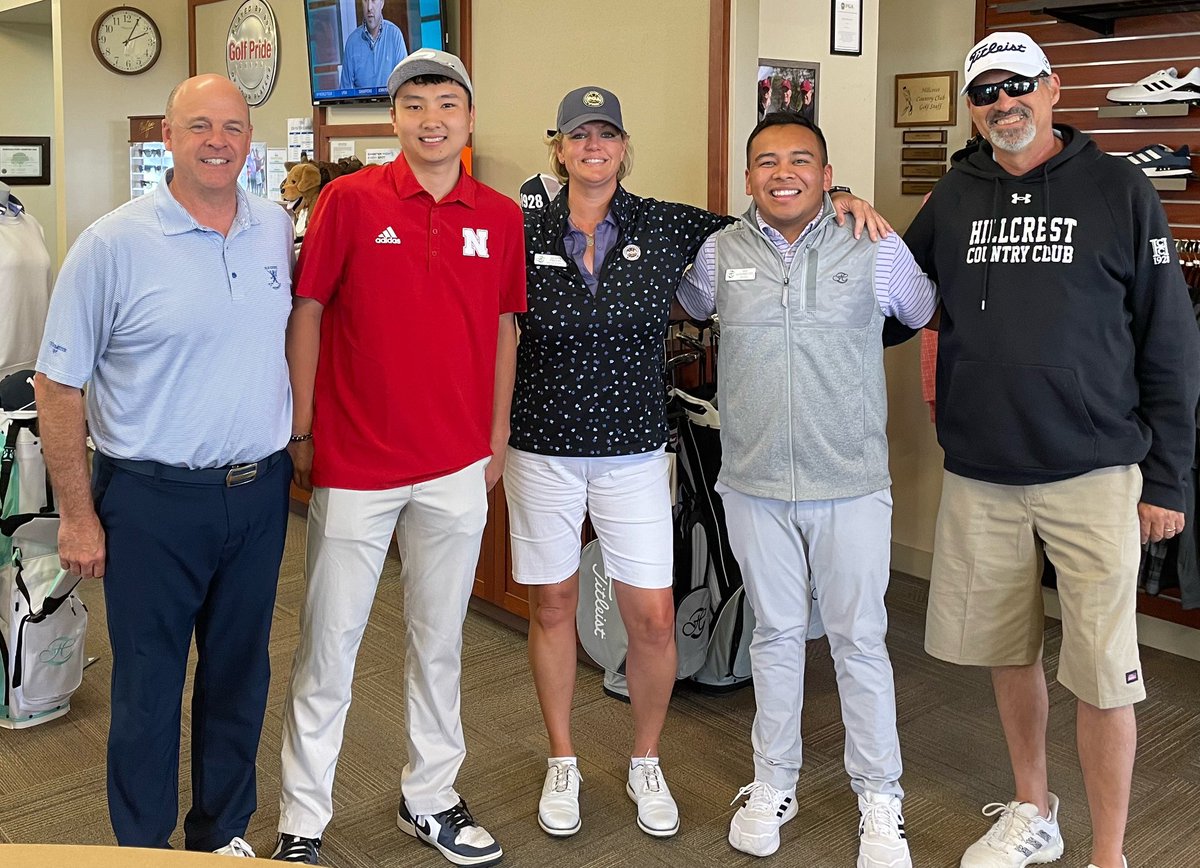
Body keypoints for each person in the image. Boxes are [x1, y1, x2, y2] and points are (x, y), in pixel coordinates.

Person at [508, 87, 889, 843]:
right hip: (541, 444)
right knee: (551, 605)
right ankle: (563, 759)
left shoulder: (668, 223)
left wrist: (837, 194)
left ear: (623, 146)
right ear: (558, 147)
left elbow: (772, 222)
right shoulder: (518, 228)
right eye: (579, 134)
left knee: (651, 618)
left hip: (635, 449)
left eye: (607, 133)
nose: (593, 146)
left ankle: (645, 759)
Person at [904, 32, 1200, 868]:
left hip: (1096, 471)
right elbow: (903, 299)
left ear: (1054, 88)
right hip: (985, 473)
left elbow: (1171, 341)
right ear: (973, 108)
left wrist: (1168, 476)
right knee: (1008, 650)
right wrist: (857, 227)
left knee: (1105, 674)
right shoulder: (956, 192)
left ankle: (1110, 853)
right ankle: (1035, 808)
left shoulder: (1119, 187)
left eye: (1019, 86)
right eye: (987, 92)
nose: (1005, 103)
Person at [273, 49, 524, 868]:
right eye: (414, 105)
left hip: (455, 465)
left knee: (440, 642)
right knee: (328, 647)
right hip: (356, 465)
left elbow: (502, 331)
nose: (431, 118)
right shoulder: (348, 201)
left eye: (446, 104)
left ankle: (432, 797)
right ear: (394, 120)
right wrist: (304, 426)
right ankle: (303, 820)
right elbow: (307, 311)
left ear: (468, 118)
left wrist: (493, 440)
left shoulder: (498, 214)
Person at [33, 74, 294, 856]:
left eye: (234, 127)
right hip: (150, 499)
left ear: (250, 139)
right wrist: (77, 516)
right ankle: (143, 847)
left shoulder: (275, 226)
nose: (219, 141)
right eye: (200, 126)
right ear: (168, 139)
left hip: (256, 494)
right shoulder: (113, 243)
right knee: (148, 689)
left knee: (240, 680)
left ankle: (221, 834)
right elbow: (57, 384)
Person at [678, 111, 936, 865]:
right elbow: (691, 307)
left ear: (827, 176)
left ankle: (881, 796)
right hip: (754, 483)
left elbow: (918, 311)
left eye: (800, 160)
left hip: (851, 483)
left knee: (860, 640)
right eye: (765, 161)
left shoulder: (872, 245)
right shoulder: (719, 253)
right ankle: (772, 780)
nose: (781, 172)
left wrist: (873, 226)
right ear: (748, 177)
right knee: (777, 636)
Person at [339, 0, 407, 91]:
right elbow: (344, 92)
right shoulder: (352, 42)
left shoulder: (395, 35)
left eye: (373, 1)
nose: (369, 8)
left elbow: (404, 85)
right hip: (363, 104)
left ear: (382, 3)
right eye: (365, 1)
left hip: (389, 103)